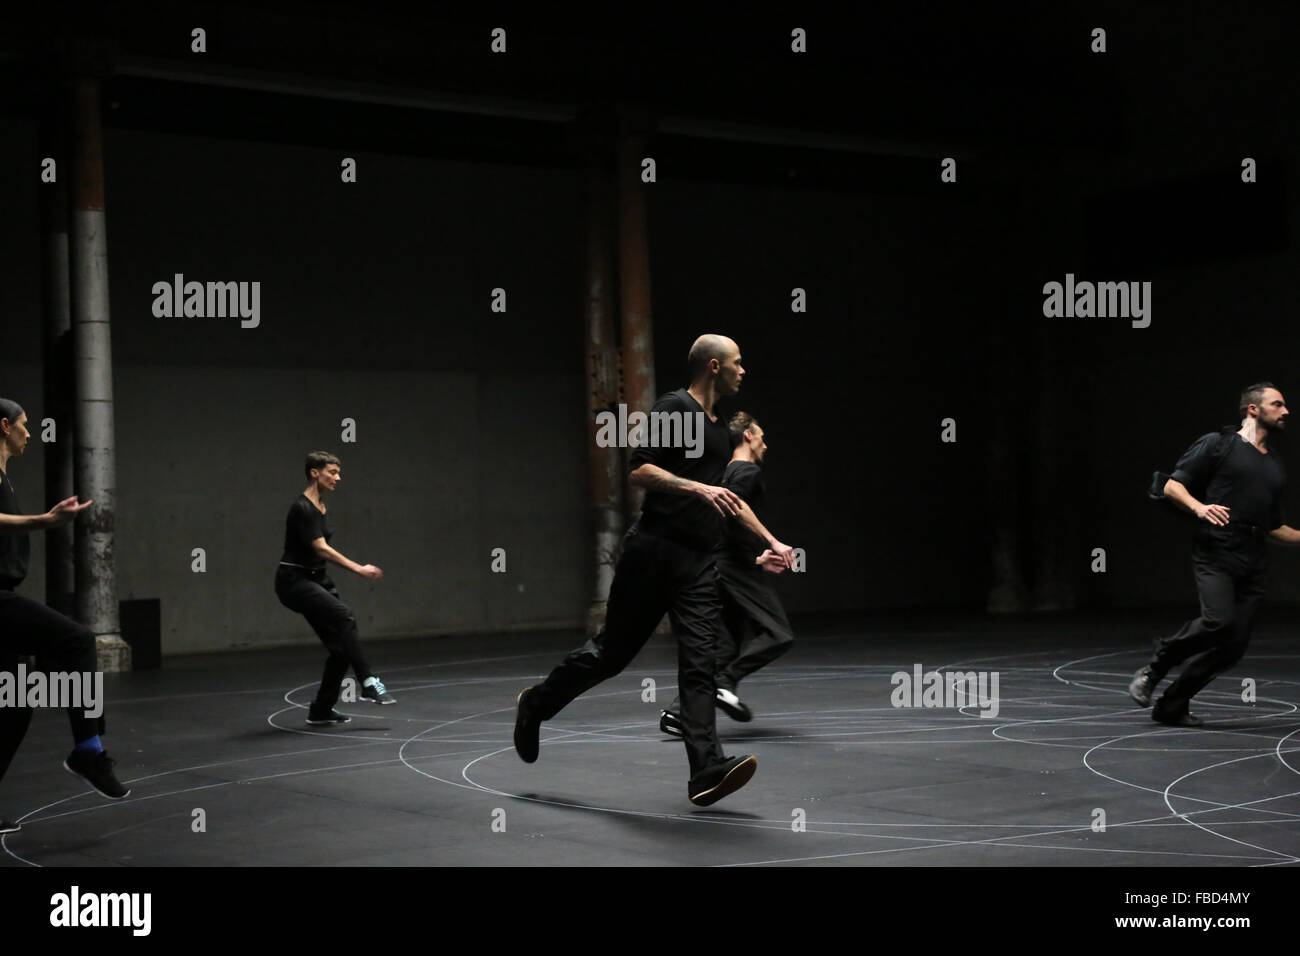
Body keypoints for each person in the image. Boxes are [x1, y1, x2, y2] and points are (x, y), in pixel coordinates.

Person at [513, 335, 795, 806]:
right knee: (611, 655)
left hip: (698, 564)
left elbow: (729, 500)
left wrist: (769, 542)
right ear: (713, 366)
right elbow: (641, 471)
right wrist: (696, 489)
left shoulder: (721, 429)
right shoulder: (675, 408)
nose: (743, 370)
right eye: (737, 363)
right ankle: (536, 705)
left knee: (701, 664)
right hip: (654, 552)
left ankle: (706, 770)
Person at [1130, 382, 1300, 725]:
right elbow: (1171, 485)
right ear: (1253, 409)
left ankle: (1172, 705)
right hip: (1217, 549)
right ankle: (1158, 665)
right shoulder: (1219, 444)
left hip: (1253, 559)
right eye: (1277, 404)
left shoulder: (1274, 465)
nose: (1286, 411)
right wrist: (1199, 507)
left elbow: (1273, 528)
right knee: (1218, 621)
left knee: (1232, 647)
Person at [0, 397, 128, 834]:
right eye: (23, 424)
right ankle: (88, 750)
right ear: (4, 427)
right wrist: (45, 520)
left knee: (15, 706)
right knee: (78, 641)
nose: (30, 432)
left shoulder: (4, 477)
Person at [660, 411, 796, 736]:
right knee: (779, 634)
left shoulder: (723, 473)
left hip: (719, 565)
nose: (765, 442)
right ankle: (725, 683)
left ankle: (679, 714)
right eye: (761, 434)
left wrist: (756, 558)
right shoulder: (746, 471)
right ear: (748, 435)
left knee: (724, 649)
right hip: (729, 567)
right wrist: (773, 542)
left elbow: (723, 524)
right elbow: (734, 506)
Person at [275, 451, 394, 726]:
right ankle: (368, 681)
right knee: (345, 616)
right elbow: (321, 549)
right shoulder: (302, 508)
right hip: (294, 582)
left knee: (340, 650)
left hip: (315, 580)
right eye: (332, 472)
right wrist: (359, 569)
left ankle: (320, 710)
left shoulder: (320, 507)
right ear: (315, 473)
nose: (338, 478)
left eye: (338, 473)